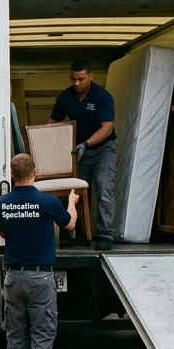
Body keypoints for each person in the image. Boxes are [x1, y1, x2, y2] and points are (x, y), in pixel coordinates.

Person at [0, 153, 77, 349]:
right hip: (40, 278)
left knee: (15, 337)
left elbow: (4, 233)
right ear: (35, 174)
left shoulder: (2, 203)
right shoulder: (48, 201)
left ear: (12, 175)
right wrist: (72, 202)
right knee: (41, 337)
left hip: (13, 277)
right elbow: (70, 224)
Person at [49, 59, 116, 251]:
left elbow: (107, 127)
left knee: (104, 189)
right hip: (79, 152)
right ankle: (78, 234)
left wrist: (86, 144)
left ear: (91, 76)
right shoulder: (65, 98)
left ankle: (105, 235)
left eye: (81, 79)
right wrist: (42, 144)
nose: (76, 83)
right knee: (75, 194)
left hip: (103, 149)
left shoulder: (103, 97)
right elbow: (52, 123)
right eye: (73, 79)